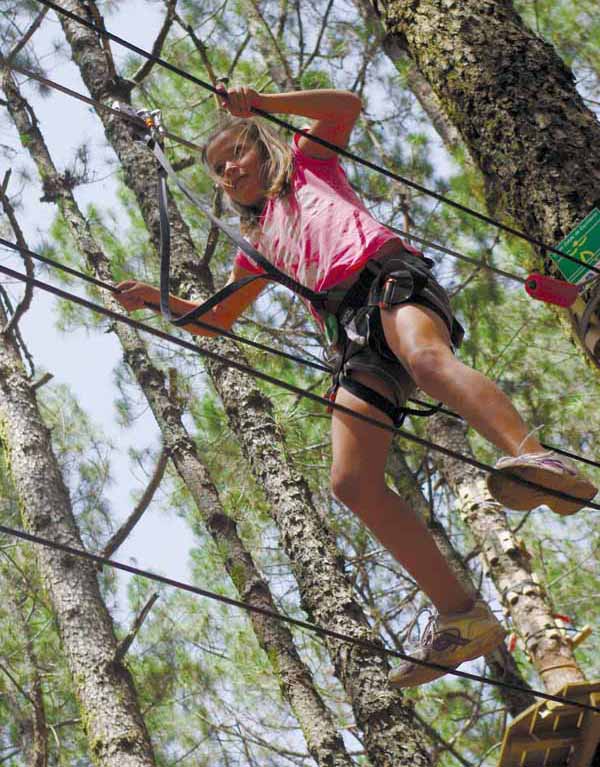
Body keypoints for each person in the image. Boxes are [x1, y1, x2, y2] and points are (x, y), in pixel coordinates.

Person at [116, 87, 597, 688]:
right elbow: (218, 318)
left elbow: (346, 105)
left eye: (236, 155)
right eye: (217, 170)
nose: (228, 171)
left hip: (386, 280)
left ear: (265, 149)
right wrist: (155, 301)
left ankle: (538, 459)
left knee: (426, 360)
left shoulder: (310, 163)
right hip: (353, 335)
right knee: (351, 482)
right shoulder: (259, 245)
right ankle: (462, 616)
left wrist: (262, 102)